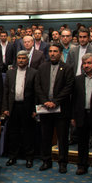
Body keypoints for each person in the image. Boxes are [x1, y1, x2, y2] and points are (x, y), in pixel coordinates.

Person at [35, 43, 74, 172]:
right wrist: (45, 101)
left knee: (62, 138)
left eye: (55, 51)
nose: (52, 53)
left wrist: (55, 102)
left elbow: (69, 87)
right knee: (45, 136)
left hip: (61, 109)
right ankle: (46, 161)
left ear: (60, 53)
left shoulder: (67, 68)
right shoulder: (42, 67)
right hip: (45, 108)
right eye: (50, 51)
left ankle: (63, 163)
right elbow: (38, 86)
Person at [71, 53, 92, 177]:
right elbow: (73, 99)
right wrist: (73, 116)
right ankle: (82, 165)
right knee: (82, 142)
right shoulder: (78, 79)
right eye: (84, 63)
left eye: (89, 63)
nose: (86, 65)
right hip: (81, 114)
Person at [3, 50, 38, 168]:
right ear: (16, 60)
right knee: (13, 133)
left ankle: (29, 158)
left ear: (27, 60)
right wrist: (5, 107)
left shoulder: (34, 73)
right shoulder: (10, 73)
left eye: (23, 58)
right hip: (13, 107)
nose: (21, 60)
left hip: (27, 107)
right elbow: (6, 91)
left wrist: (35, 109)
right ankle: (12, 157)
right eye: (19, 58)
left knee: (28, 133)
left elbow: (36, 93)